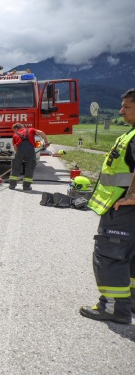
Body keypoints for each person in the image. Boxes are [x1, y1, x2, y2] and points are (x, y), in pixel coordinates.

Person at [80, 88, 135, 324]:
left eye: (127, 107)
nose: (121, 110)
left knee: (111, 255)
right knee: (130, 257)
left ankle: (114, 309)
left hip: (124, 210)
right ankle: (130, 302)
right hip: (125, 208)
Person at [8, 123, 50, 190]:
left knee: (15, 168)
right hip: (30, 151)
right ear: (23, 127)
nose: (14, 131)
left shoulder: (15, 135)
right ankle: (26, 186)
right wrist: (46, 142)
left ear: (16, 129)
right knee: (29, 169)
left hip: (20, 152)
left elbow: (15, 148)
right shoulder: (31, 130)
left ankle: (12, 185)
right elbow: (41, 132)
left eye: (14, 130)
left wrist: (21, 156)